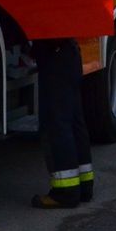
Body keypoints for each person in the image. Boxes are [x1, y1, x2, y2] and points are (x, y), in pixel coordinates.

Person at [30, 39, 94, 208]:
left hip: (55, 56)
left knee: (57, 126)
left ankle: (66, 193)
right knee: (74, 123)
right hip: (69, 54)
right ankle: (84, 187)